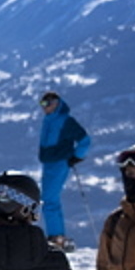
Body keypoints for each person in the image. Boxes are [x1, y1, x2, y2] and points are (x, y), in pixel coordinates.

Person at [36, 91, 91, 250]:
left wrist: (76, 156)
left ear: (56, 103)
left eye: (47, 103)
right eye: (42, 104)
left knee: (49, 199)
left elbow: (84, 140)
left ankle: (56, 237)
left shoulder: (65, 121)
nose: (44, 107)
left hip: (59, 162)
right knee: (50, 199)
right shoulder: (48, 120)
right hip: (49, 163)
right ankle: (57, 235)